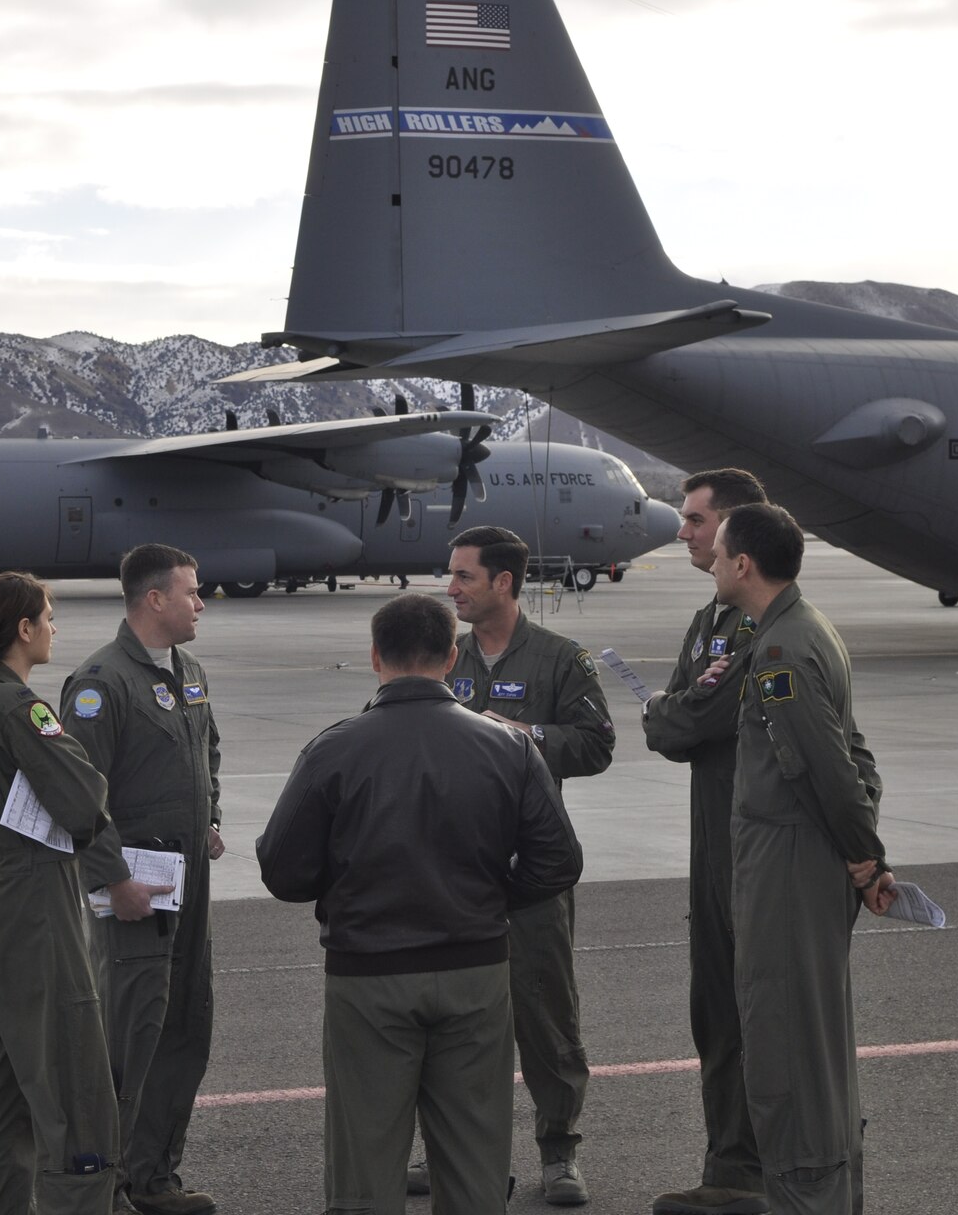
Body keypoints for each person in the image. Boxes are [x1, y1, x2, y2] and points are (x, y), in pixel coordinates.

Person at [256, 592, 584, 1215]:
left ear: (376, 656)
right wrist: (489, 897)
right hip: (476, 969)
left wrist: (349, 890)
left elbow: (283, 871)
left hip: (369, 973)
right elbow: (559, 862)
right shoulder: (508, 747)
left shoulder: (336, 748)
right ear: (452, 656)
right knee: (473, 1157)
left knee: (366, 1160)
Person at [402, 525, 613, 1207]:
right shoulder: (442, 657)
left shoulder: (560, 661)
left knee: (545, 1011)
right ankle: (453, 1151)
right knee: (454, 1016)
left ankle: (559, 1151)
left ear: (504, 583)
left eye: (464, 576)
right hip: (451, 871)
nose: (451, 588)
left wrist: (528, 735)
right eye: (451, 574)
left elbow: (596, 744)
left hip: (530, 871)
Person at [708, 504, 895, 1215]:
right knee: (818, 1050)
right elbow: (858, 757)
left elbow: (826, 767)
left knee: (787, 1058)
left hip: (787, 870)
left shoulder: (781, 651)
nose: (715, 564)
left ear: (745, 565)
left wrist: (864, 857)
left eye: (721, 553)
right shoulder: (807, 628)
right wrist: (861, 854)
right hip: (808, 861)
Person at [0, 571, 121, 1215]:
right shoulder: (22, 707)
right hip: (35, 896)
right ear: (24, 629)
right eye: (48, 616)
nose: (54, 627)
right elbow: (83, 800)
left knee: (2, 1089)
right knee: (71, 1078)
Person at [60, 545, 223, 1215]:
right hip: (133, 890)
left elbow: (208, 747)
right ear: (154, 599)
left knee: (185, 1027)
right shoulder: (100, 684)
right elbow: (74, 798)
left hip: (187, 883)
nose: (200, 602)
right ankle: (106, 1184)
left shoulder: (189, 671)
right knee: (128, 1037)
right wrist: (113, 878)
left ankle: (155, 1177)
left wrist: (210, 812)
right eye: (191, 591)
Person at [641, 469, 779, 1215]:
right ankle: (731, 1169)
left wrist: (673, 713)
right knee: (713, 1009)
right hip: (713, 836)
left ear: (733, 533)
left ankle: (760, 1170)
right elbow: (676, 716)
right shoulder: (710, 621)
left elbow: (686, 721)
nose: (685, 532)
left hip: (750, 845)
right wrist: (674, 712)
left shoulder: (757, 627)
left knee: (754, 1011)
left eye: (696, 521)